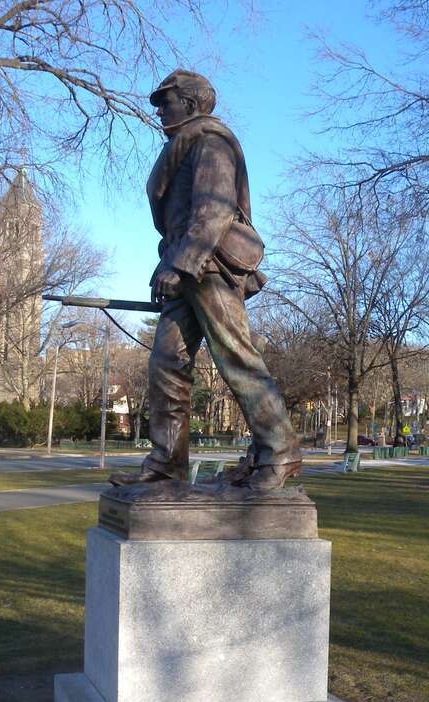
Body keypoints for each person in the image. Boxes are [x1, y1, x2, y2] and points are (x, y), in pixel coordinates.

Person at [109, 70, 301, 491]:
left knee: (235, 356)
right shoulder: (183, 145)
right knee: (166, 363)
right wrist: (171, 265)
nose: (160, 110)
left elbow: (214, 210)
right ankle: (167, 462)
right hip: (185, 266)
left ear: (192, 104)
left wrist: (181, 264)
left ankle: (280, 450)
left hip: (208, 267)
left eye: (167, 101)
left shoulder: (211, 142)